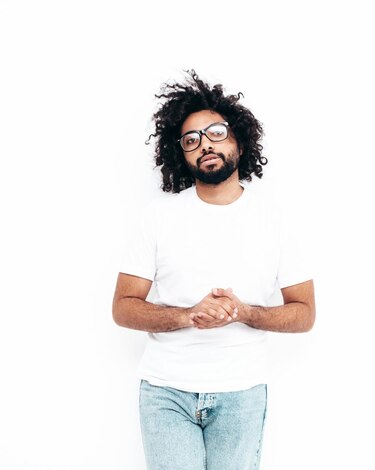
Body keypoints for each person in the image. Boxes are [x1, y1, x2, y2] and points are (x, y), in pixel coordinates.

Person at [111, 70, 315, 470]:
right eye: (191, 140)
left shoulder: (275, 221)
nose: (205, 144)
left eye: (216, 132)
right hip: (166, 391)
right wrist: (187, 316)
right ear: (181, 155)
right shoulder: (158, 217)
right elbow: (122, 306)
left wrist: (245, 313)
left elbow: (305, 313)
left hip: (241, 391)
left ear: (239, 137)